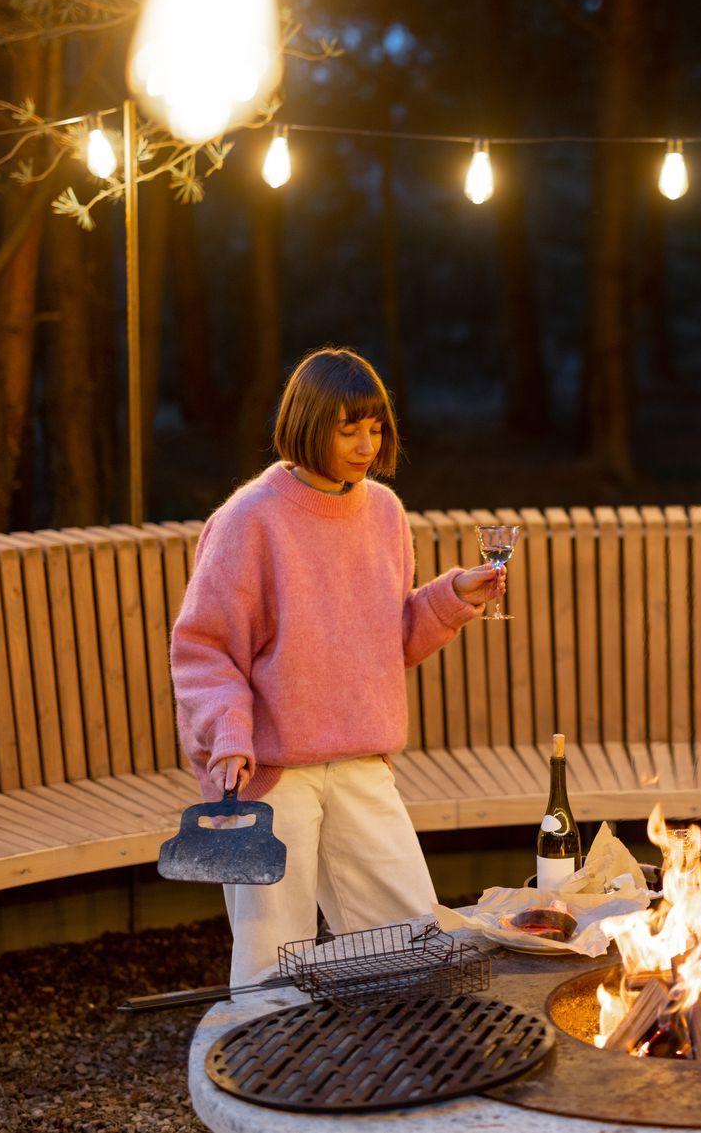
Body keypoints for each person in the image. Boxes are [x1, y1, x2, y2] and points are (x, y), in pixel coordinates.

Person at [170, 346, 504, 986]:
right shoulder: (249, 519)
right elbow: (203, 648)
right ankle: (263, 1075)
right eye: (347, 428)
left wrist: (450, 597)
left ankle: (402, 1074)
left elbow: (389, 638)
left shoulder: (384, 512)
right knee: (272, 960)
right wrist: (229, 737)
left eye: (375, 428)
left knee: (410, 940)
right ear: (305, 425)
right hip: (271, 772)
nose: (365, 444)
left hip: (360, 763)